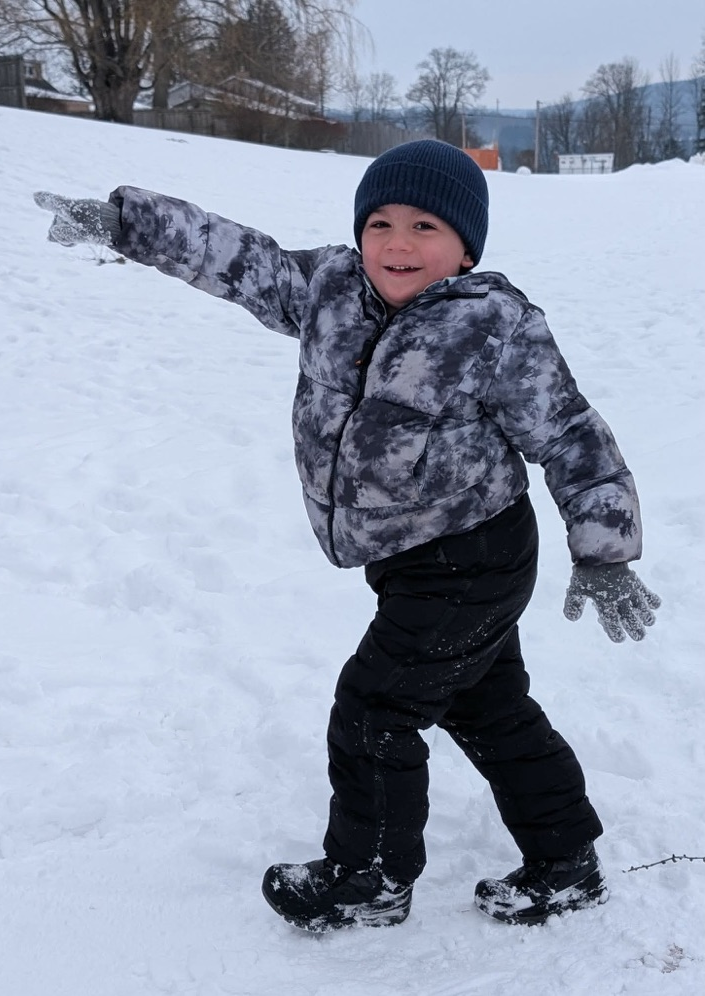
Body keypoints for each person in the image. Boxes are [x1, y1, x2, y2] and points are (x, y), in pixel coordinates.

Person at [34, 140, 660, 932]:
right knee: (487, 706)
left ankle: (368, 877)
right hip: (410, 560)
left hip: (473, 556)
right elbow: (238, 259)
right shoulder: (331, 288)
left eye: (425, 226)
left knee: (373, 708)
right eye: (381, 223)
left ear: (466, 247)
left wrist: (604, 549)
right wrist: (127, 223)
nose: (398, 244)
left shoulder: (493, 328)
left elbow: (570, 433)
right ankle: (565, 858)